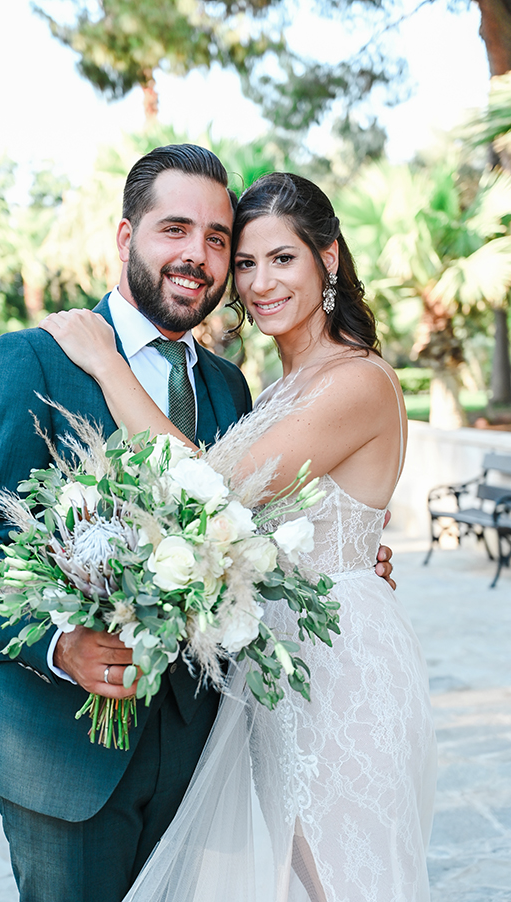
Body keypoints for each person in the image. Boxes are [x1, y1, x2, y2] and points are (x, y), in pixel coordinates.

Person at [0, 146, 394, 902]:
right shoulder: (34, 360)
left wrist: (339, 555)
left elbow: (239, 514)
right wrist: (60, 646)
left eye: (218, 239)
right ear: (127, 237)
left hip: (200, 749)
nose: (199, 256)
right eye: (175, 229)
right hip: (63, 749)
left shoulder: (229, 386)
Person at [40, 171, 436, 901]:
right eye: (246, 262)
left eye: (283, 258)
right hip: (273, 666)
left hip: (337, 665)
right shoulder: (271, 390)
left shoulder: (357, 381)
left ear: (329, 258)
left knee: (344, 879)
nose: (259, 283)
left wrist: (105, 362)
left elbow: (213, 493)